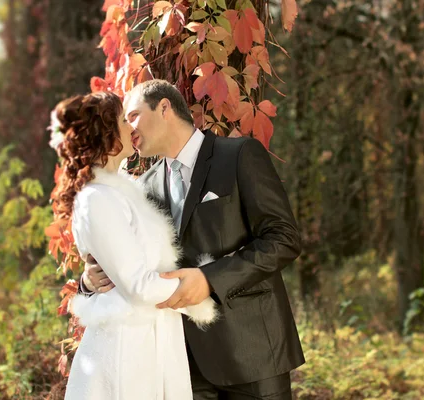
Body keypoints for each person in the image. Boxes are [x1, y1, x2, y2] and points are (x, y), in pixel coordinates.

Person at [82, 80, 305, 399]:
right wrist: (88, 282)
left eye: (133, 115)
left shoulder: (239, 155)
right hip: (180, 364)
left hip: (253, 353)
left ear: (164, 107)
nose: (128, 127)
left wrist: (210, 280)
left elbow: (283, 238)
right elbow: (129, 265)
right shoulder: (142, 188)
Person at [51, 91, 218, 400]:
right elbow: (139, 284)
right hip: (127, 350)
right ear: (106, 134)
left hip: (155, 340)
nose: (131, 127)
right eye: (122, 120)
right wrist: (201, 289)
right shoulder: (96, 199)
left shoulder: (128, 191)